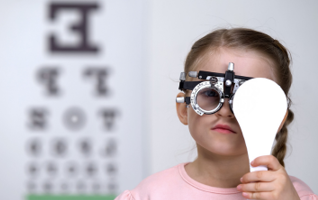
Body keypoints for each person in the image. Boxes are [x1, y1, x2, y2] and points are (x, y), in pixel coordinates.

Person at [115, 28, 318, 200]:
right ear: (183, 109)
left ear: (274, 120)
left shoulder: (295, 196)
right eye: (211, 93)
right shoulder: (149, 195)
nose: (226, 111)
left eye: (248, 101)